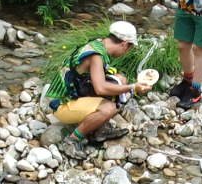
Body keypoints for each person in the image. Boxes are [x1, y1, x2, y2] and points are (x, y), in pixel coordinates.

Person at [54, 21, 152, 155]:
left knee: (121, 80)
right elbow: (100, 89)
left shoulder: (99, 43)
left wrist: (124, 85)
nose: (127, 52)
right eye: (129, 48)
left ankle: (98, 131)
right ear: (124, 44)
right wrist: (132, 88)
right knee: (110, 108)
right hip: (61, 104)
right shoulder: (96, 56)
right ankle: (72, 140)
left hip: (77, 88)